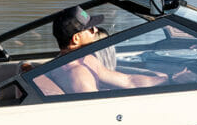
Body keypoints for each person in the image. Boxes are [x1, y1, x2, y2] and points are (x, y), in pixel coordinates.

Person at [37, 6, 174, 96]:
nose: (96, 30)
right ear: (76, 38)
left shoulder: (85, 60)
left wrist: (169, 79)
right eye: (90, 29)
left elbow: (128, 81)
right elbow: (94, 112)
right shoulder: (77, 73)